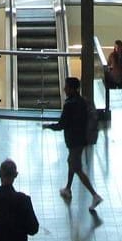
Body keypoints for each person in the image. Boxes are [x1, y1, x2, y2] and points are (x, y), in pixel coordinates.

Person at [47, 76, 102, 206]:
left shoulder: (69, 105)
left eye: (66, 86)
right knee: (71, 162)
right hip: (82, 139)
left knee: (77, 168)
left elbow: (61, 125)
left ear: (71, 89)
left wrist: (48, 126)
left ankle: (95, 195)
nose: (64, 88)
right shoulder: (83, 101)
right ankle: (68, 188)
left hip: (74, 141)